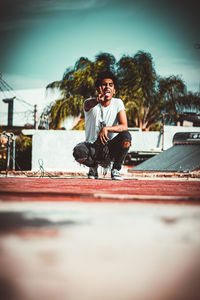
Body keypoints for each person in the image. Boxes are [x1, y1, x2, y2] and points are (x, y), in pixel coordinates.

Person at [83, 71, 132, 180]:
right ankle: (93, 168)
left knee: (126, 136)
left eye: (110, 85)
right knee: (78, 152)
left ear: (114, 90)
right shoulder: (89, 103)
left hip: (109, 148)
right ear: (98, 88)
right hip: (92, 148)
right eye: (104, 84)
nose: (107, 87)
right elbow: (88, 104)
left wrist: (107, 129)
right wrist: (97, 100)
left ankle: (115, 169)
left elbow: (124, 126)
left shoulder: (118, 103)